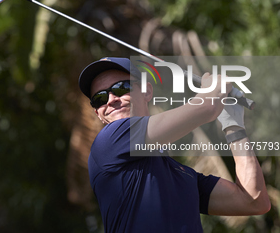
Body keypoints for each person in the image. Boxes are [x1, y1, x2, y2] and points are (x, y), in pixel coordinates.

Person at [78, 57, 270, 233]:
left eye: (121, 87)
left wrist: (233, 126)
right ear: (98, 114)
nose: (111, 100)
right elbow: (207, 106)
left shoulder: (179, 173)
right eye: (100, 99)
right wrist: (216, 87)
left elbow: (253, 201)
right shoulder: (108, 141)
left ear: (146, 91)